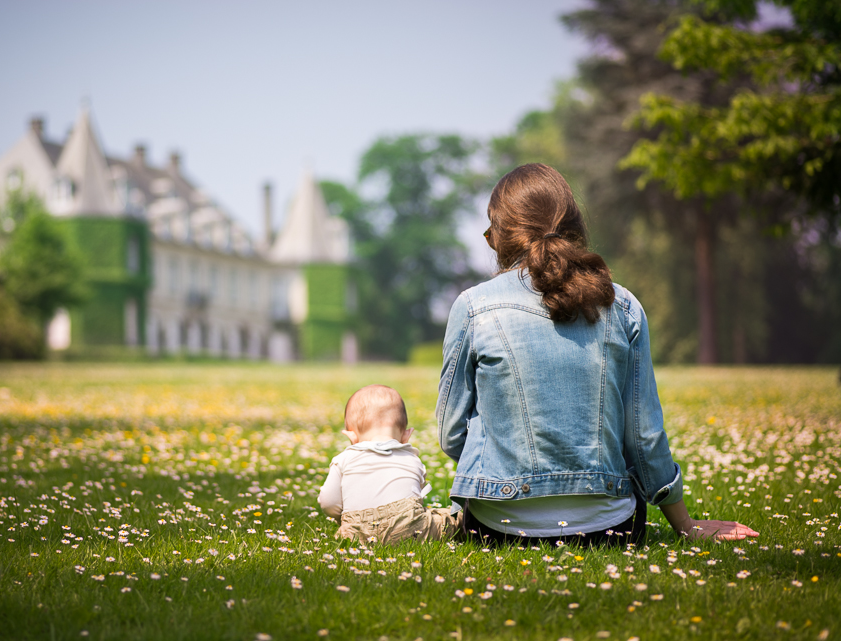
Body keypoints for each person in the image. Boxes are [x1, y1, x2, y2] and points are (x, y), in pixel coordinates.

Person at [436, 163, 758, 546]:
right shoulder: (621, 305)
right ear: (573, 226)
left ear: (502, 237)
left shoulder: (473, 306)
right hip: (609, 529)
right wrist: (685, 523)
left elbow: (451, 432)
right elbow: (643, 437)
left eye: (491, 235)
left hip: (500, 526)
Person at [319, 384, 461, 544]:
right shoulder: (412, 458)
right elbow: (416, 499)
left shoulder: (343, 459)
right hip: (410, 530)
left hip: (356, 535)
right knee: (451, 518)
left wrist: (348, 517)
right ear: (406, 435)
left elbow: (328, 502)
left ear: (351, 436)